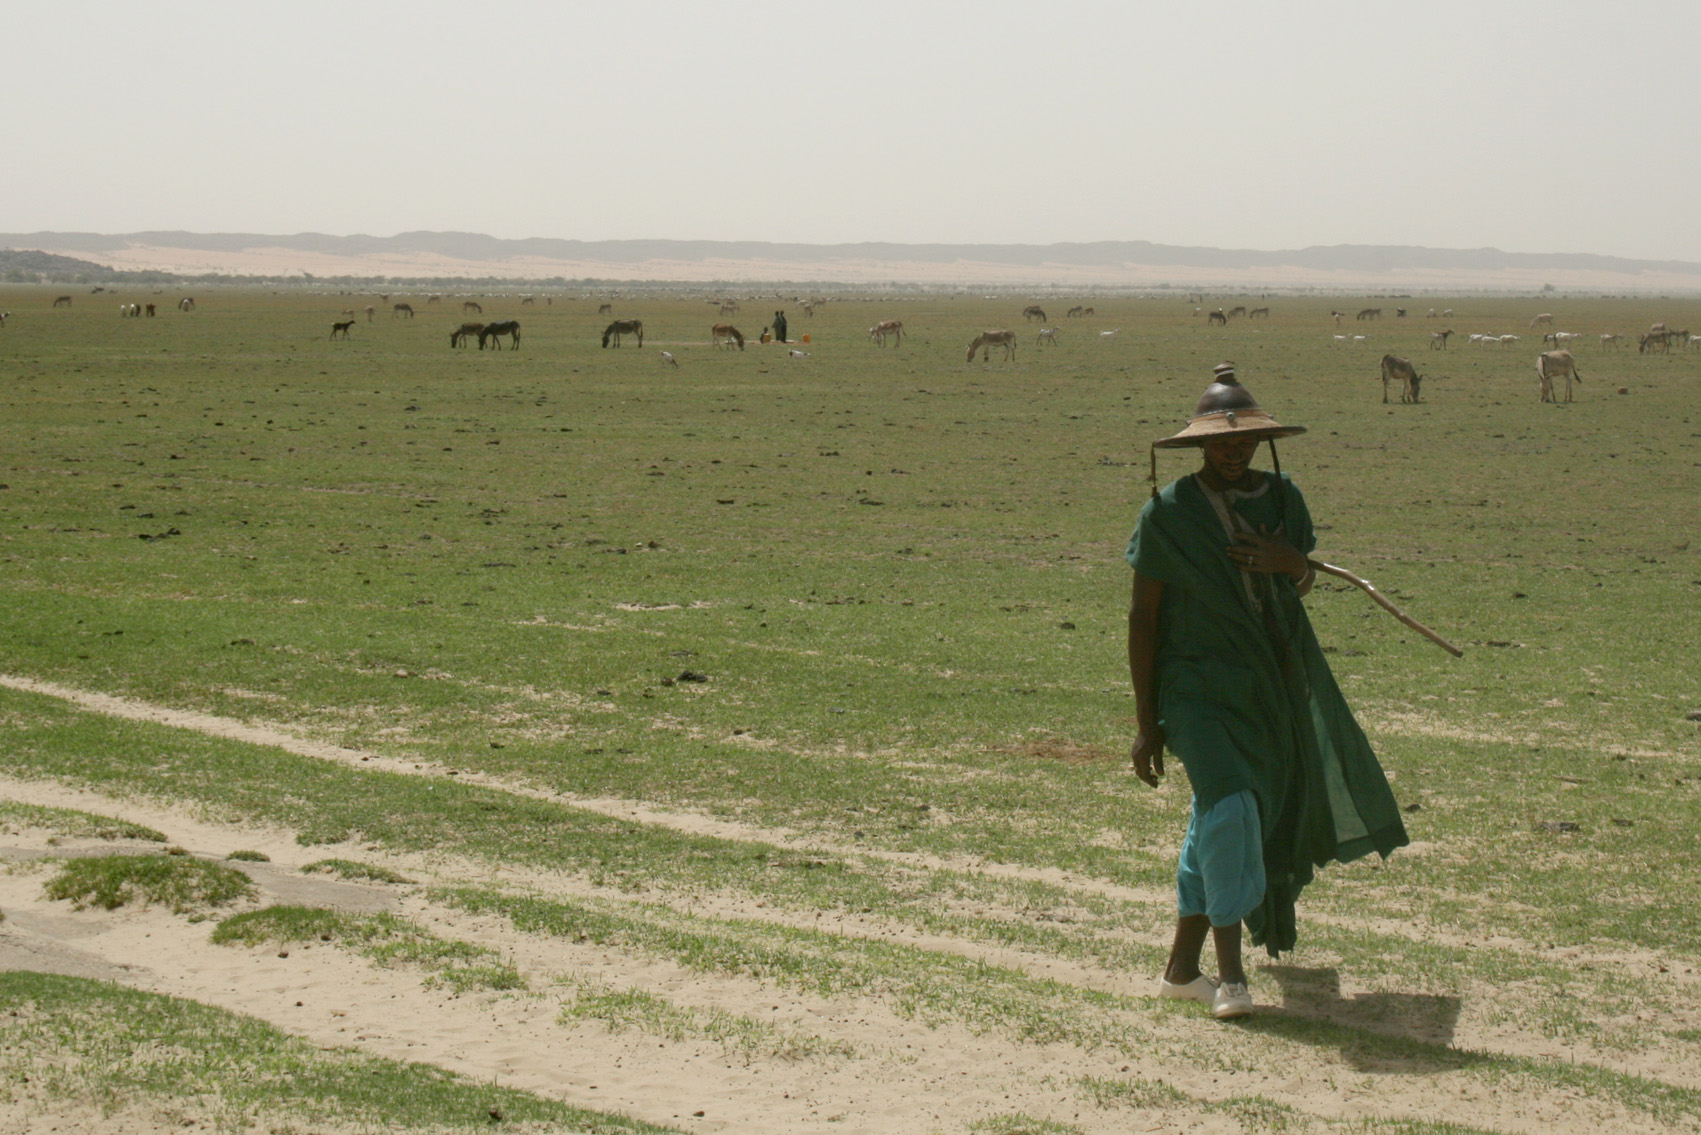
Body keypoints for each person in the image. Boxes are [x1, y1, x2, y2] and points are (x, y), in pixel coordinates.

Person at [1125, 363, 1408, 1020]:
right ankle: (1230, 977)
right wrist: (1146, 720)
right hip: (1192, 686)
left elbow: (1296, 586)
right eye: (1221, 443)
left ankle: (1178, 970)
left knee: (1219, 817)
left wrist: (1294, 564)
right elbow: (1142, 617)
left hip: (1266, 683)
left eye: (1243, 441)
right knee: (1229, 810)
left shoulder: (1283, 499)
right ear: (1200, 444)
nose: (1233, 451)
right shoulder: (1166, 514)